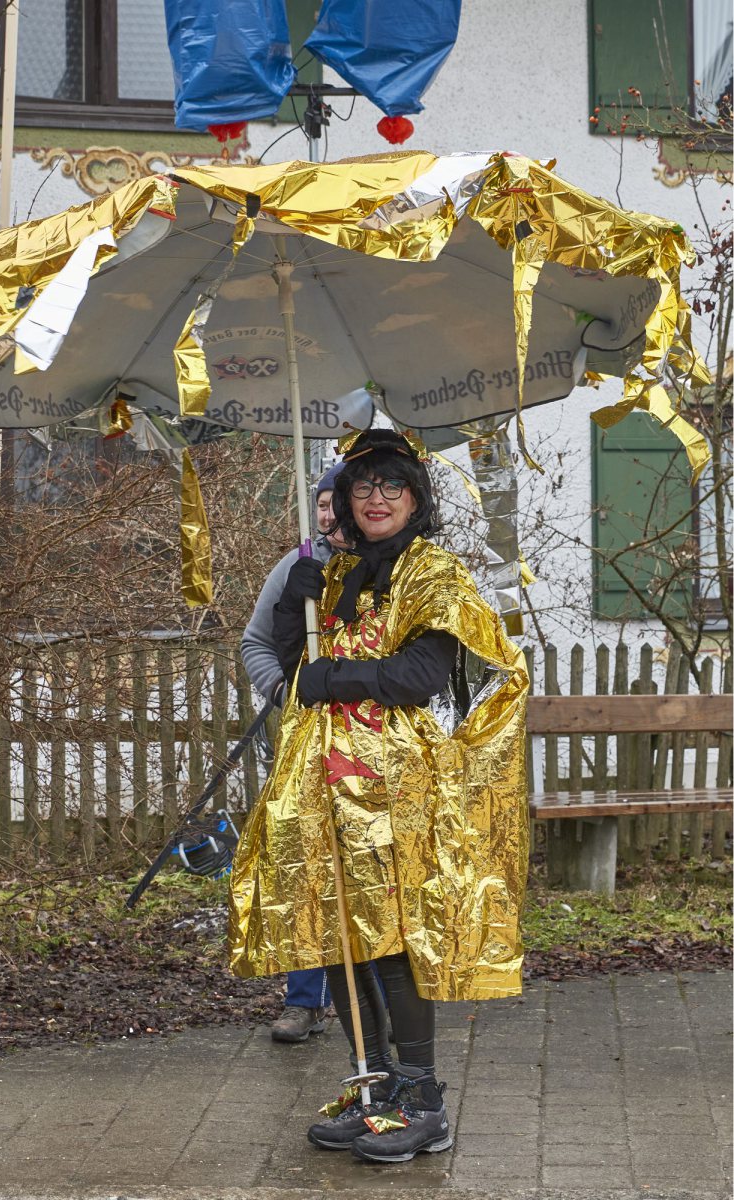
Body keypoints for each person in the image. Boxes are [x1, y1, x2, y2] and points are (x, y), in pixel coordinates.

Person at [228, 429, 529, 1164]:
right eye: (362, 487)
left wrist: (328, 678)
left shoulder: (436, 573)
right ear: (345, 499)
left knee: (390, 937)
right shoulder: (331, 573)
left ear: (415, 497)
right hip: (317, 778)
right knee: (334, 931)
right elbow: (291, 667)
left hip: (393, 785)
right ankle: (374, 1089)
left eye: (392, 486)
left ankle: (422, 1101)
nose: (376, 499)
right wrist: (294, 611)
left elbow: (417, 675)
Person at [240, 461, 348, 1042]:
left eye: (337, 502)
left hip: (372, 744)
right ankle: (304, 1001)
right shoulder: (296, 565)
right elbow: (255, 642)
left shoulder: (395, 566)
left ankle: (380, 1003)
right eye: (321, 504)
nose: (328, 514)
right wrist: (286, 691)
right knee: (307, 864)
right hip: (307, 739)